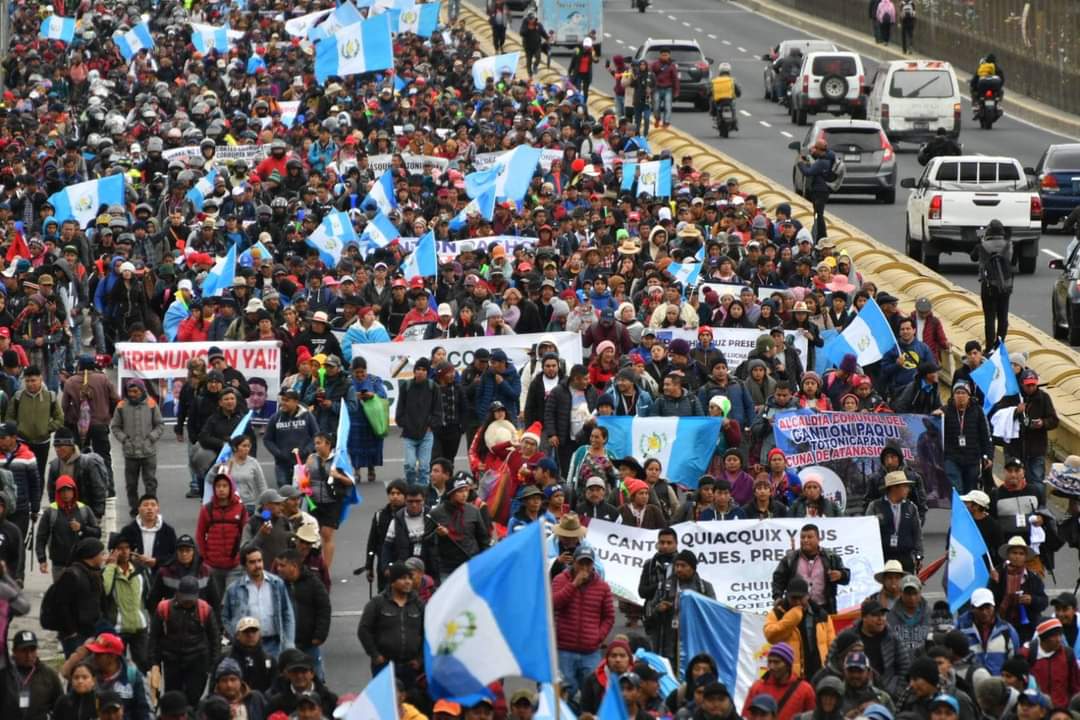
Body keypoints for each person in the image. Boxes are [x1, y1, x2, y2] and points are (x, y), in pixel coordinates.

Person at [552, 545, 615, 699]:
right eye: (581, 563)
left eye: (588, 563)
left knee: (592, 694)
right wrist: (574, 585)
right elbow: (554, 603)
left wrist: (597, 637)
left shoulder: (603, 587)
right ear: (573, 562)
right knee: (567, 694)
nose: (585, 567)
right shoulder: (560, 580)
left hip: (590, 651)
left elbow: (609, 616)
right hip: (564, 649)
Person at [148, 575, 220, 707]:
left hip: (197, 660)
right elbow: (154, 637)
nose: (188, 602)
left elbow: (214, 638)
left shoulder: (205, 609)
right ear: (178, 593)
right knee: (173, 700)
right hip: (172, 660)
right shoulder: (164, 608)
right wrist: (154, 663)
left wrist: (213, 665)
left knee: (193, 699)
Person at [221, 546, 296, 659]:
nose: (257, 565)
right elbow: (225, 617)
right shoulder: (234, 589)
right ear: (244, 565)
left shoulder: (276, 584)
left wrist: (289, 643)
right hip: (247, 646)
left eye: (259, 561)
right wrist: (236, 637)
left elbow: (287, 614)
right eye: (252, 562)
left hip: (274, 645)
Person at [357, 562, 424, 676]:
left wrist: (419, 658)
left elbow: (427, 632)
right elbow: (363, 630)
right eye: (403, 578)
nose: (408, 582)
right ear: (393, 582)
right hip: (384, 665)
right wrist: (375, 655)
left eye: (409, 578)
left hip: (410, 666)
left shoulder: (418, 604)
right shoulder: (377, 603)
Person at [765, 577, 835, 680]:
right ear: (787, 596)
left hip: (819, 673)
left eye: (801, 598)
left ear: (807, 596)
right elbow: (770, 636)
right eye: (794, 598)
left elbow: (832, 645)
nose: (797, 602)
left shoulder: (821, 615)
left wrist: (830, 670)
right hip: (790, 676)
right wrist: (790, 620)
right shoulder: (777, 614)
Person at [771, 523, 851, 615]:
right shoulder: (790, 559)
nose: (805, 540)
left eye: (809, 537)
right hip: (796, 610)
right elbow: (778, 580)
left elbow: (846, 577)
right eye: (802, 537)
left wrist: (841, 575)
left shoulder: (831, 557)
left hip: (825, 609)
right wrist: (778, 597)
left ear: (818, 539)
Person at [110, 379, 163, 514]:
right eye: (130, 391)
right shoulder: (121, 406)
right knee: (131, 484)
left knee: (150, 482)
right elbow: (115, 427)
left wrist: (151, 438)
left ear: (142, 390)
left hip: (148, 452)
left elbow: (159, 425)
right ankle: (134, 507)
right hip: (130, 453)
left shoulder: (151, 404)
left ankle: (152, 505)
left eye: (136, 391)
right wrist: (125, 440)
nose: (133, 394)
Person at [276, 550, 331, 679]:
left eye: (282, 566)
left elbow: (324, 609)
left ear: (294, 566)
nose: (278, 569)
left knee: (315, 677)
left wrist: (320, 635)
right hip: (285, 643)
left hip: (308, 643)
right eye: (278, 565)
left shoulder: (313, 583)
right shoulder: (278, 585)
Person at [35, 474, 100, 581]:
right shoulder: (51, 512)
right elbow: (41, 537)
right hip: (59, 565)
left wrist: (82, 528)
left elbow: (97, 533)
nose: (65, 494)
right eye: (62, 490)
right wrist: (42, 559)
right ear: (57, 492)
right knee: (62, 595)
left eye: (68, 490)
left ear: (74, 491)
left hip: (82, 564)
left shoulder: (84, 510)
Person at [427, 474, 491, 581]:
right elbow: (426, 540)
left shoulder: (474, 511)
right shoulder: (436, 513)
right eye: (460, 491)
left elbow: (483, 539)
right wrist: (437, 534)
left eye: (466, 490)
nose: (464, 494)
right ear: (451, 494)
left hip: (472, 564)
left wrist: (484, 561)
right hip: (448, 568)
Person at [990, 536, 1047, 643]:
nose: (1017, 556)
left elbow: (1044, 602)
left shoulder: (1032, 578)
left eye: (1021, 554)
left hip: (1027, 629)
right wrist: (995, 583)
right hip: (1002, 625)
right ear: (1008, 555)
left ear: (1025, 557)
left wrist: (1032, 599)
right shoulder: (998, 574)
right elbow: (990, 600)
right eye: (1014, 553)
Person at [397, 357, 442, 488]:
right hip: (409, 434)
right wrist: (404, 423)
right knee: (410, 466)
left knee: (424, 468)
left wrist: (431, 425)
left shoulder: (433, 387)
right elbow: (400, 409)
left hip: (426, 434)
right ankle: (411, 489)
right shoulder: (406, 386)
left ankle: (422, 495)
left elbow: (438, 411)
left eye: (424, 369)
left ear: (428, 372)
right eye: (418, 369)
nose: (420, 372)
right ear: (414, 371)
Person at [262, 389, 319, 489]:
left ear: (296, 402)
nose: (283, 403)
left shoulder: (307, 416)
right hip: (282, 464)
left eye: (287, 400)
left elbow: (316, 436)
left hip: (303, 463)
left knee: (303, 492)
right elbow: (267, 439)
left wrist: (307, 451)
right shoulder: (275, 417)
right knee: (285, 492)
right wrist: (278, 453)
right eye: (282, 400)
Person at [742, 643, 816, 720]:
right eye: (769, 662)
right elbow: (747, 716)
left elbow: (813, 717)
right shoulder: (757, 687)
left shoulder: (805, 690)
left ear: (788, 665)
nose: (772, 666)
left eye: (776, 662)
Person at [867, 471, 923, 571]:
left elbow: (917, 533)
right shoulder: (875, 506)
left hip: (905, 558)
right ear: (894, 488)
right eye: (905, 486)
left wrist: (919, 555)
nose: (908, 489)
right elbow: (867, 532)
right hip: (882, 558)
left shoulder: (911, 507)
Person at [956, 588, 1019, 676]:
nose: (984, 612)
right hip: (970, 687)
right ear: (972, 608)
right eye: (980, 608)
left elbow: (1014, 663)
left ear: (993, 606)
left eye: (988, 607)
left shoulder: (1008, 631)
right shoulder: (960, 630)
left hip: (998, 687)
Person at [1018, 618, 1080, 708]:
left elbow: (1075, 685)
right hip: (1035, 710)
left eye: (1060, 635)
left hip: (1061, 710)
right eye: (1054, 636)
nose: (1059, 639)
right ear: (1043, 638)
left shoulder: (1068, 654)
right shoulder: (1027, 654)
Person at [970, 220, 1012, 348]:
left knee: (989, 317)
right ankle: (1000, 344)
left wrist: (981, 240)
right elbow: (1011, 259)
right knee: (1003, 316)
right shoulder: (1008, 245)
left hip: (988, 286)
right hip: (1006, 285)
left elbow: (973, 257)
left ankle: (989, 346)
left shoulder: (983, 246)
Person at [9, 630, 63, 720]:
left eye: (32, 650)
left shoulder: (49, 675)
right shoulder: (5, 674)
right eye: (24, 650)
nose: (29, 655)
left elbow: (61, 707)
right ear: (14, 651)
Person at [118, 494, 177, 573]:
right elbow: (119, 552)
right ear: (139, 509)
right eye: (145, 505)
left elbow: (174, 555)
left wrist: (156, 561)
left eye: (153, 505)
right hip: (134, 574)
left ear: (158, 508)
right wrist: (132, 558)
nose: (149, 508)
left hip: (160, 575)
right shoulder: (128, 530)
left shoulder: (168, 531)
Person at [797, 140, 836, 241]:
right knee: (819, 214)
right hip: (824, 190)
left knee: (818, 214)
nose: (813, 150)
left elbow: (808, 172)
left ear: (820, 149)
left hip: (819, 191)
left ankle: (821, 236)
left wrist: (801, 163)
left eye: (815, 148)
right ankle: (820, 235)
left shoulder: (822, 162)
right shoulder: (828, 157)